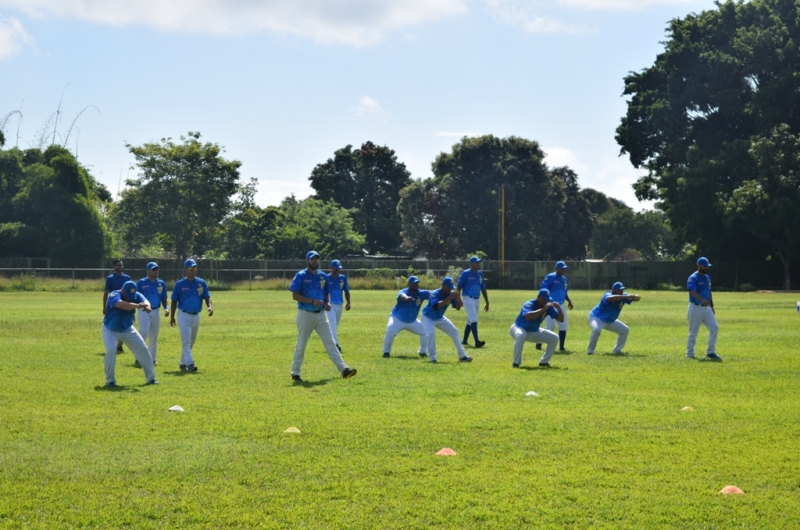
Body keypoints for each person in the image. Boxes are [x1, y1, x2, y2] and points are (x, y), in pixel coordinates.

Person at [289, 251, 357, 382]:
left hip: (320, 315)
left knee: (330, 342)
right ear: (307, 261)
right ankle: (295, 372)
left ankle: (344, 369)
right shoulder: (301, 275)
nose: (314, 261)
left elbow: (327, 293)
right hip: (305, 314)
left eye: (316, 259)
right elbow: (295, 295)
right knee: (301, 344)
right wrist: (312, 301)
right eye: (312, 259)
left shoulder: (323, 276)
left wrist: (328, 303)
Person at [102, 280, 157, 387]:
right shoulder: (114, 294)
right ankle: (110, 381)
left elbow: (146, 302)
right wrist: (138, 306)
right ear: (122, 290)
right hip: (110, 329)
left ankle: (151, 379)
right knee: (111, 350)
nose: (130, 297)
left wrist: (147, 306)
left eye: (132, 295)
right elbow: (122, 305)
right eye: (128, 295)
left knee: (143, 349)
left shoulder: (136, 295)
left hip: (127, 329)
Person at [170, 259, 213, 372]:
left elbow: (207, 296)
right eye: (190, 268)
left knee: (191, 341)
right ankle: (190, 364)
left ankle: (183, 363)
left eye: (194, 268)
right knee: (186, 341)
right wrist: (172, 317)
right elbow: (174, 301)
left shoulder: (201, 282)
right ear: (185, 270)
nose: (192, 270)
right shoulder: (180, 284)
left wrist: (210, 307)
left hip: (196, 315)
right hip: (184, 315)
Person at [421, 277, 472, 363]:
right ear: (443, 286)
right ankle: (432, 358)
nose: (450, 289)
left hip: (439, 317)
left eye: (451, 287)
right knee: (431, 334)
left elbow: (458, 308)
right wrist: (450, 297)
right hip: (427, 317)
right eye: (448, 287)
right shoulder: (435, 293)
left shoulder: (450, 294)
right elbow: (436, 306)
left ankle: (462, 356)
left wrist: (458, 300)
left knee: (454, 331)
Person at [509, 288, 564, 368]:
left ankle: (544, 362)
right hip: (518, 328)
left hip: (534, 331)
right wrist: (543, 309)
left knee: (554, 338)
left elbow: (560, 320)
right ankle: (516, 363)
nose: (546, 302)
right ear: (538, 297)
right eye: (545, 299)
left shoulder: (547, 306)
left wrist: (559, 309)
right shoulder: (529, 304)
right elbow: (528, 317)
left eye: (548, 300)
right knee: (521, 335)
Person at [587, 282, 641, 355]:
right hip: (597, 318)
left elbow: (637, 298)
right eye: (619, 290)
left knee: (625, 330)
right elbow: (611, 299)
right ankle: (590, 351)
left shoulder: (623, 295)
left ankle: (617, 350)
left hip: (610, 320)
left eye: (622, 290)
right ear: (614, 290)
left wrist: (635, 296)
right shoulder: (608, 294)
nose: (622, 291)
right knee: (597, 329)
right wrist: (625, 297)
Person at [382, 276, 430, 358]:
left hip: (412, 321)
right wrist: (407, 298)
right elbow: (402, 296)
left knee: (426, 331)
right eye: (414, 283)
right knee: (390, 330)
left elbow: (432, 294)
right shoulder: (403, 291)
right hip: (397, 318)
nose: (416, 285)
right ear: (409, 284)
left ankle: (422, 352)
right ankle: (386, 352)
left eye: (417, 283)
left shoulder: (421, 293)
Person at [686, 257, 720, 360]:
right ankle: (690, 354)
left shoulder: (707, 278)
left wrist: (712, 306)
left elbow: (709, 292)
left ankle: (710, 352)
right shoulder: (693, 277)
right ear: (699, 266)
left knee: (714, 328)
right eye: (705, 266)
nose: (706, 268)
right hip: (695, 307)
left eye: (707, 266)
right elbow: (692, 291)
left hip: (706, 308)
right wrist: (702, 300)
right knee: (693, 332)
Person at [135, 262, 169, 366]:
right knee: (143, 332)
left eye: (157, 269)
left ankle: (152, 358)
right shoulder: (141, 282)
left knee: (154, 336)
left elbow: (164, 299)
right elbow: (135, 297)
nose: (156, 271)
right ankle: (139, 358)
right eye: (153, 269)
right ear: (148, 271)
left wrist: (166, 308)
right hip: (144, 311)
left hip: (156, 311)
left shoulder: (161, 283)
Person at [538, 261, 574, 351]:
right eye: (562, 268)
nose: (564, 270)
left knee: (563, 325)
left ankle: (561, 347)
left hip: (561, 305)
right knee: (550, 326)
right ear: (556, 268)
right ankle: (539, 343)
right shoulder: (550, 277)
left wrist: (569, 301)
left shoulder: (565, 279)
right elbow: (543, 289)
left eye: (565, 268)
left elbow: (564, 292)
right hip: (550, 304)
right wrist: (546, 301)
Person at [458, 256, 489, 348]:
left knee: (469, 321)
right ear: (471, 264)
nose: (478, 264)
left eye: (478, 262)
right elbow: (459, 287)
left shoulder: (480, 274)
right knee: (474, 320)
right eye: (476, 262)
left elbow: (483, 288)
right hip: (468, 298)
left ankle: (464, 341)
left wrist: (487, 302)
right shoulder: (465, 274)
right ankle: (477, 342)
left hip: (476, 299)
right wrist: (458, 299)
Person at [103, 259, 131, 353]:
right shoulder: (110, 278)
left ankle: (119, 345)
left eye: (121, 265)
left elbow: (130, 293)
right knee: (113, 325)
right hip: (113, 305)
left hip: (125, 305)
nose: (120, 267)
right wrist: (104, 307)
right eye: (118, 265)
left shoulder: (127, 278)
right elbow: (106, 293)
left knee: (125, 325)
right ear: (114, 267)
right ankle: (112, 345)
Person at [325, 259, 350, 352]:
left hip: (339, 304)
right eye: (336, 268)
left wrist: (348, 302)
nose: (338, 270)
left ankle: (329, 342)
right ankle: (335, 345)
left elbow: (346, 291)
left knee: (334, 325)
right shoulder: (326, 278)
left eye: (339, 268)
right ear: (331, 268)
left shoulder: (343, 278)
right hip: (330, 304)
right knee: (333, 324)